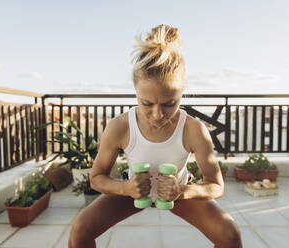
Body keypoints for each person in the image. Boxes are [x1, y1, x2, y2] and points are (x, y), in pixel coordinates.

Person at [69, 24, 242, 248]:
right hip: (132, 190)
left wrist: (182, 191)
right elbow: (97, 178)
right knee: (80, 229)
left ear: (182, 93)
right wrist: (126, 188)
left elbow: (216, 186)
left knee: (229, 235)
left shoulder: (193, 129)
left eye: (170, 104)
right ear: (136, 93)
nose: (158, 115)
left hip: (177, 191)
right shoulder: (120, 126)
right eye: (147, 104)